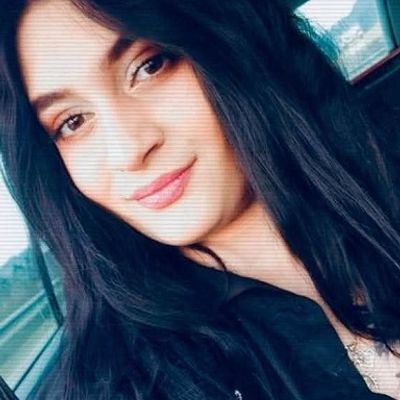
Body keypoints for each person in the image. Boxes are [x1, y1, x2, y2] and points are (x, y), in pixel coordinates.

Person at [1, 0, 400, 398]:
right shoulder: (134, 384)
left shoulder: (384, 172)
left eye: (149, 66)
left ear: (228, 43)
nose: (128, 150)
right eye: (72, 122)